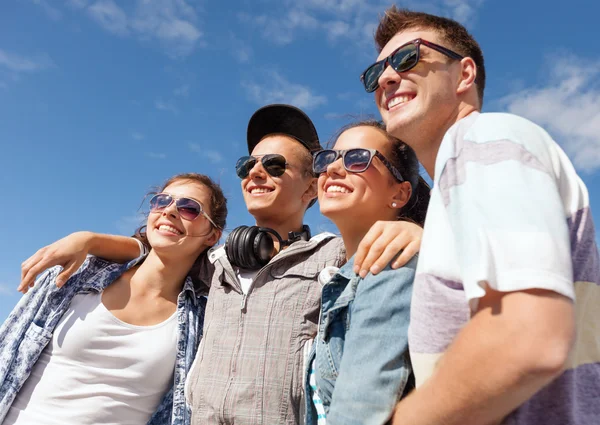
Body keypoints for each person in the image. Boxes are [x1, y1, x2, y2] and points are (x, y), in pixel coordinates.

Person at [18, 104, 424, 425]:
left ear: (311, 189)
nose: (257, 173)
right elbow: (159, 246)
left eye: (276, 166)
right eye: (248, 166)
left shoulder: (334, 258)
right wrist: (89, 240)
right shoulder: (213, 261)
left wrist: (417, 231)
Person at [360, 7, 600, 425]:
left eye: (407, 58)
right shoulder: (463, 180)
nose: (385, 78)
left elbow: (526, 336)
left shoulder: (483, 139)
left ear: (465, 75)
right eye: (374, 73)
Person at [0, 173, 227, 425]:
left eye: (189, 208)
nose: (170, 211)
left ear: (212, 236)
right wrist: (87, 238)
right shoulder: (75, 275)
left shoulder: (203, 321)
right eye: (162, 201)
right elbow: (6, 351)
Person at [305, 119, 430, 425]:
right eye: (327, 159)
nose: (332, 169)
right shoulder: (346, 279)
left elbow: (358, 411)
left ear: (399, 194)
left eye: (357, 158)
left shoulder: (391, 264)